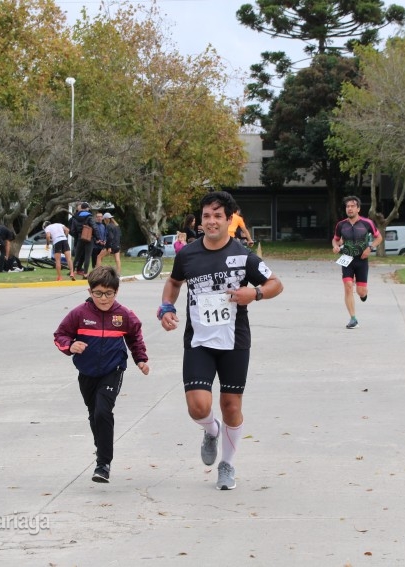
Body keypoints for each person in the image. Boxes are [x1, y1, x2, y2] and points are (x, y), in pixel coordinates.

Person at [159, 191, 283, 491]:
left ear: (229, 220)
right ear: (200, 221)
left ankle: (227, 464)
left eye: (218, 216)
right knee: (198, 407)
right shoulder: (188, 254)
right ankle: (211, 431)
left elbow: (276, 284)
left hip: (234, 341)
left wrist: (255, 293)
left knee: (231, 406)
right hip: (199, 341)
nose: (211, 221)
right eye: (206, 216)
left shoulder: (243, 255)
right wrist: (166, 307)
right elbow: (174, 282)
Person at [53, 266, 149, 483]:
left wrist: (140, 359)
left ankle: (103, 464)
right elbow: (60, 335)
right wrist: (70, 346)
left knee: (103, 412)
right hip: (86, 372)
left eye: (108, 293)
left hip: (113, 370)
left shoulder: (124, 314)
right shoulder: (79, 314)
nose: (103, 298)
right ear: (90, 292)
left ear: (116, 292)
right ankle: (101, 446)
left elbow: (135, 337)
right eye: (98, 293)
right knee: (94, 414)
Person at [331, 196, 383, 329]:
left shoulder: (367, 223)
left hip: (362, 260)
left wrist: (370, 248)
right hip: (347, 259)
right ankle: (353, 319)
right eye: (347, 206)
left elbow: (379, 238)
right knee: (348, 286)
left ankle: (363, 295)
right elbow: (335, 239)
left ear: (358, 209)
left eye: (352, 206)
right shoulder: (341, 225)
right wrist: (335, 246)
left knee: (361, 291)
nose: (350, 209)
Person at [69, 202, 96, 277]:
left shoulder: (75, 217)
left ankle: (72, 272)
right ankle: (85, 273)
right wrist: (97, 237)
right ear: (87, 208)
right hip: (89, 237)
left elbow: (73, 230)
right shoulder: (89, 216)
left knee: (77, 256)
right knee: (87, 256)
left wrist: (77, 236)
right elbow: (94, 227)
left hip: (80, 238)